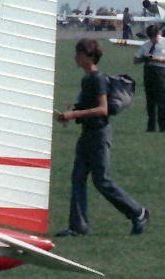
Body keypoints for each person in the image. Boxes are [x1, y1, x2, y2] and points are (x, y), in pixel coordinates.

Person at [54, 38, 147, 237]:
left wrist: (74, 115)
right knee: (78, 178)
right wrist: (68, 116)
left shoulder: (97, 79)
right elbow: (86, 106)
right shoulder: (86, 80)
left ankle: (138, 213)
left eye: (79, 54)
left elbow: (103, 109)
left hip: (98, 136)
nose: (75, 57)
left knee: (102, 181)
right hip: (87, 135)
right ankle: (77, 227)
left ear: (89, 57)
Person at [135, 25, 165, 132]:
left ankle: (163, 126)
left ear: (158, 34)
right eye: (150, 38)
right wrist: (144, 58)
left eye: (154, 37)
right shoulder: (145, 45)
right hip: (149, 73)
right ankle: (151, 127)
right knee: (150, 101)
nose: (152, 40)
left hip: (161, 73)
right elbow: (135, 59)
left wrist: (157, 59)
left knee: (162, 101)